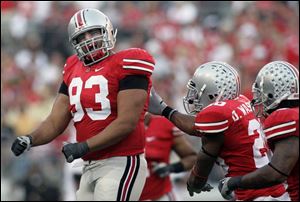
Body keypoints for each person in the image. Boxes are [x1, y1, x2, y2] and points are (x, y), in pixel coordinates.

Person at [11, 8, 155, 201]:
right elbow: (55, 121)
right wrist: (30, 139)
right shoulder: (72, 67)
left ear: (107, 31)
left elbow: (127, 123)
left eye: (93, 32)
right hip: (89, 165)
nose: (88, 39)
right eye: (81, 36)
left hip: (121, 161)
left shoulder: (127, 62)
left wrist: (83, 146)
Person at [148, 61, 290, 201]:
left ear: (212, 93)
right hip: (272, 190)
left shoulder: (219, 112)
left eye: (197, 91)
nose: (194, 97)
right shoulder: (242, 101)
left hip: (256, 194)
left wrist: (164, 110)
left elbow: (202, 151)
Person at [218, 61, 299, 201]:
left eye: (261, 94)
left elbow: (276, 173)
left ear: (275, 92)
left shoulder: (284, 117)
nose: (258, 100)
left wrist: (234, 182)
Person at [140, 113, 198, 201]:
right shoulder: (118, 125)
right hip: (124, 194)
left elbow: (192, 157)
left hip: (159, 194)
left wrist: (170, 168)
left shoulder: (164, 124)